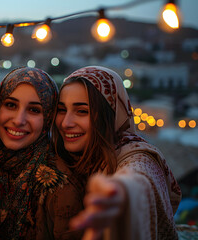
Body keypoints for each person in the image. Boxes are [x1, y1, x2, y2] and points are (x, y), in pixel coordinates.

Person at [53, 66, 181, 240]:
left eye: (82, 111)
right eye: (62, 110)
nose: (66, 123)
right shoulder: (62, 159)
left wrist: (123, 193)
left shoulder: (136, 154)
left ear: (111, 114)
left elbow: (140, 174)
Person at [0, 67, 81, 240]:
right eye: (10, 105)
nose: (19, 120)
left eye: (34, 110)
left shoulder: (59, 185)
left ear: (48, 117)